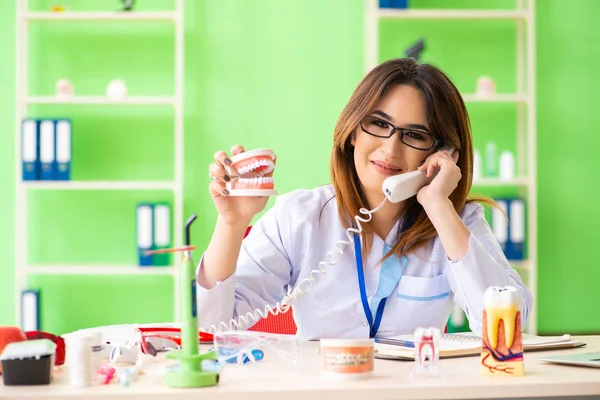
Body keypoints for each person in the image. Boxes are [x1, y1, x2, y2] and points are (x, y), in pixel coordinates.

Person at [197, 58, 533, 340]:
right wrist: (232, 223)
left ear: (443, 154)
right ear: (353, 130)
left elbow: (506, 331)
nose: (390, 148)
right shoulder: (299, 215)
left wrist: (438, 205)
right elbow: (214, 325)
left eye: (415, 135)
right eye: (378, 123)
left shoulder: (458, 221)